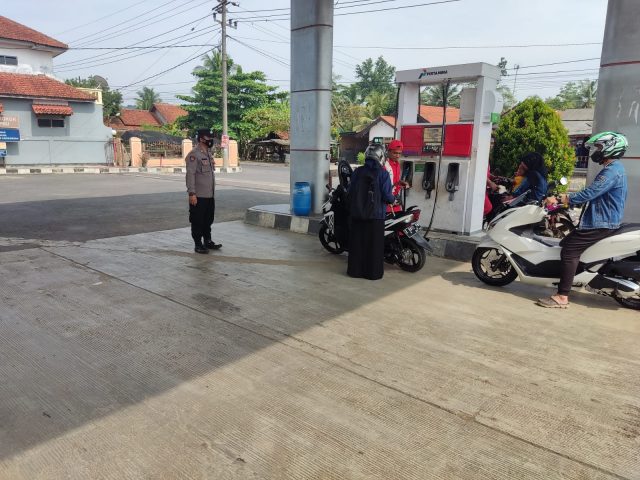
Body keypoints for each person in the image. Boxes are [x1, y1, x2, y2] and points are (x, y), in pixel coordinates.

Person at [537, 131, 629, 308]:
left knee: (569, 251)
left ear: (611, 148)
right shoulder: (614, 169)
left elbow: (590, 193)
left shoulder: (611, 171)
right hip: (603, 221)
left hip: (601, 223)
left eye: (600, 147)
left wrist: (563, 198)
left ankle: (562, 296)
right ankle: (574, 278)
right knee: (566, 243)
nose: (597, 151)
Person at [347, 144, 395, 280]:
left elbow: (350, 192)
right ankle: (373, 273)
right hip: (376, 217)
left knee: (357, 245)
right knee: (374, 247)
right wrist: (393, 199)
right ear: (381, 157)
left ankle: (355, 272)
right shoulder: (383, 173)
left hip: (357, 215)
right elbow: (387, 196)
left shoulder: (357, 172)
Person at [185, 128, 222, 254]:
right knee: (197, 221)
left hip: (209, 195)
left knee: (208, 220)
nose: (211, 140)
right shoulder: (194, 155)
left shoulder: (208, 153)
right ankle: (198, 244)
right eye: (208, 137)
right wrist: (192, 193)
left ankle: (208, 241)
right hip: (199, 196)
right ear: (201, 139)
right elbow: (190, 175)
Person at [385, 139, 410, 213]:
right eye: (395, 153)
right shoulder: (384, 165)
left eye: (399, 153)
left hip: (396, 199)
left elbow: (395, 180)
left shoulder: (397, 164)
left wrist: (401, 182)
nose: (398, 156)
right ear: (389, 151)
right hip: (386, 200)